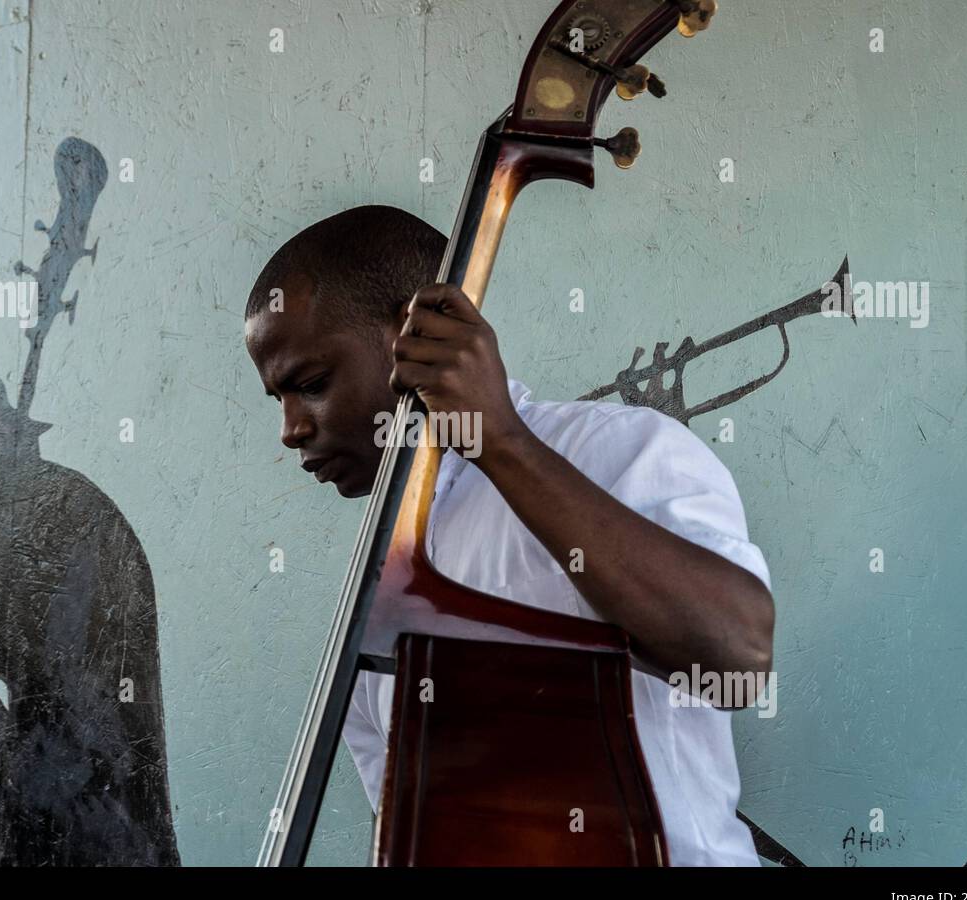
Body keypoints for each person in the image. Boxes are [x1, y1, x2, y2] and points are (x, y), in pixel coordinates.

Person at [244, 204, 775, 865]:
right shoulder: (378, 597)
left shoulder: (619, 453)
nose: (291, 428)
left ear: (420, 335)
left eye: (312, 384)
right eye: (280, 401)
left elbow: (737, 658)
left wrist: (500, 440)